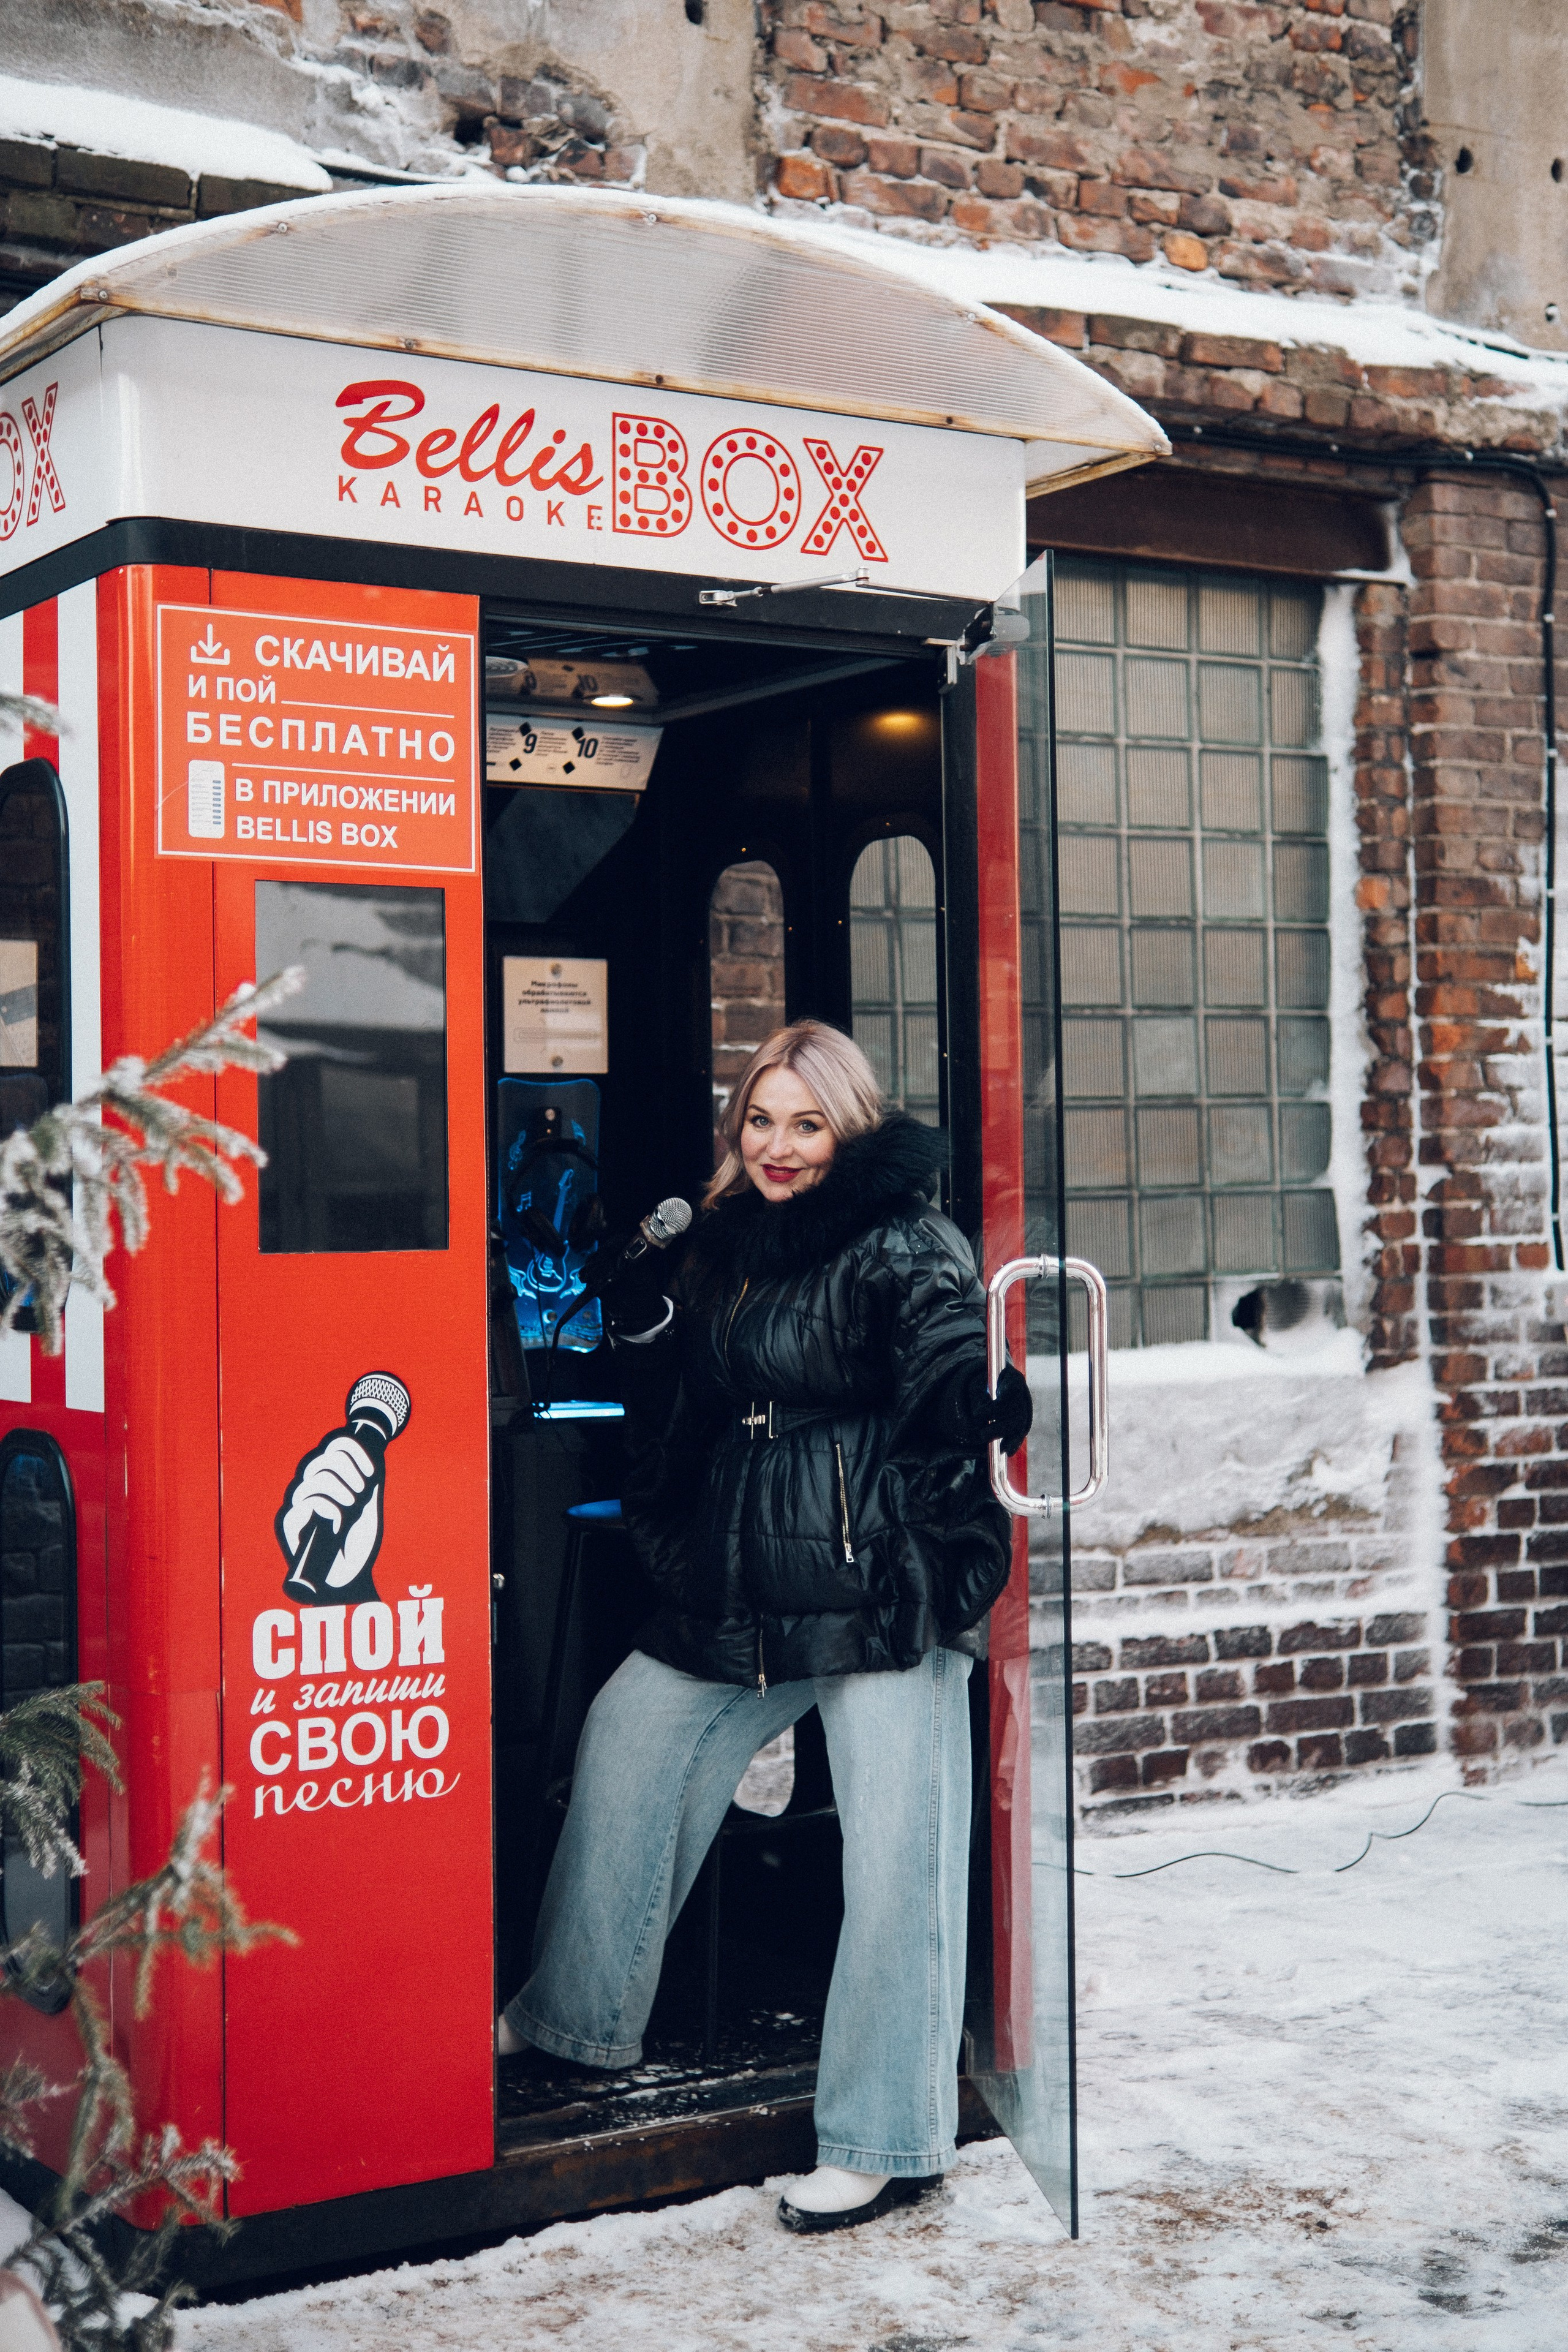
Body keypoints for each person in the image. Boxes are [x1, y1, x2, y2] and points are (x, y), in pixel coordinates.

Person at [497, 1020, 1031, 2233]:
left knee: (897, 1859)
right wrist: (645, 1334)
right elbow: (691, 1398)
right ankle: (575, 2015)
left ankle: (883, 2138)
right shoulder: (727, 1240)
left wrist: (976, 1406)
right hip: (747, 1571)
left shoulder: (905, 1240)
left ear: (851, 1129)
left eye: (807, 1124)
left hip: (874, 1572)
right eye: (760, 1120)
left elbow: (944, 1361)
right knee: (630, 1736)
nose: (778, 1146)